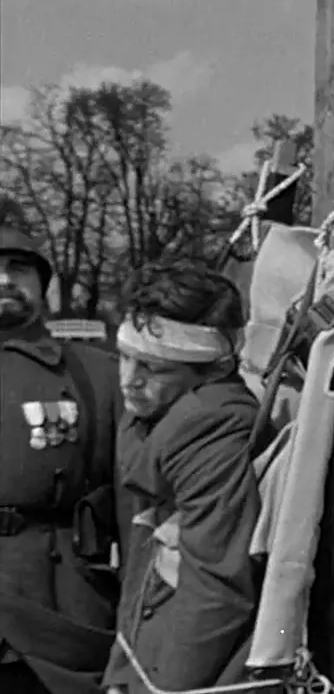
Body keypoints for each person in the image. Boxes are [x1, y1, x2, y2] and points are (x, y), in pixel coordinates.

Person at [103, 260, 268, 694]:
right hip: (146, 643)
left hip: (180, 671)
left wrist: (163, 688)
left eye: (154, 368)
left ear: (212, 370)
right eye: (124, 358)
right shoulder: (156, 415)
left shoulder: (214, 433)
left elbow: (217, 587)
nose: (128, 382)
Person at [0, 199, 119, 694]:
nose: (4, 281)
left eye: (18, 268)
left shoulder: (94, 372)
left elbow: (138, 493)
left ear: (42, 286)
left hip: (53, 601)